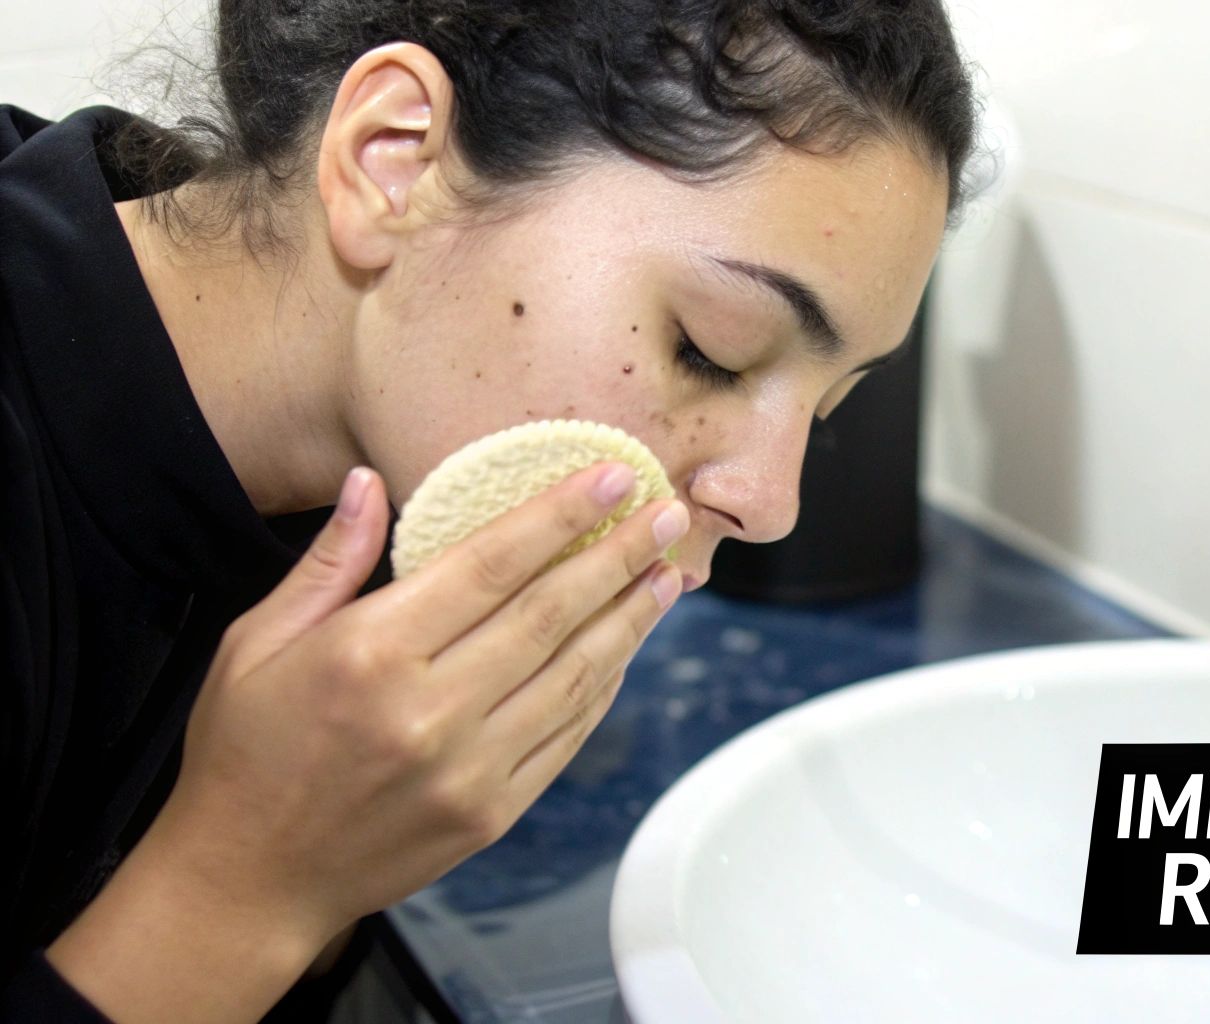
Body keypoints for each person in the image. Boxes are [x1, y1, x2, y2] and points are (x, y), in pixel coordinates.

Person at [0, 0, 977, 1018]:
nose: (772, 506)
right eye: (711, 348)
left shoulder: (389, 469)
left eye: (827, 409)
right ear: (394, 159)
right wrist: (246, 883)